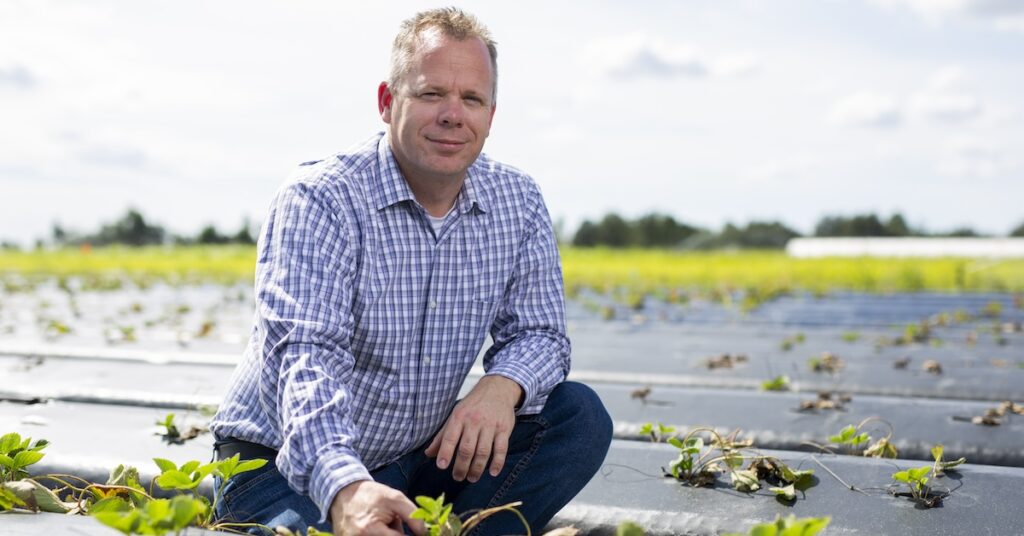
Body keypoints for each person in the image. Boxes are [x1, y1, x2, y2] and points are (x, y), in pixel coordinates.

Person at [210, 7, 612, 535]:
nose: (453, 113)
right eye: (430, 94)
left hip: (415, 457)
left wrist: (502, 385)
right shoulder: (321, 198)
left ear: (491, 115)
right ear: (386, 102)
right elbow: (304, 360)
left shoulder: (518, 199)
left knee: (577, 416)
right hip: (281, 465)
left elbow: (540, 334)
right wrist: (346, 488)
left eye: (471, 98)